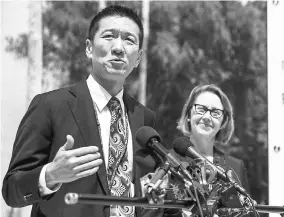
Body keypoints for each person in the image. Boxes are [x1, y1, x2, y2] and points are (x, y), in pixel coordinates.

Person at [2, 5, 164, 217]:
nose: (118, 47)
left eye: (129, 40)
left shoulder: (144, 118)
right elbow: (11, 189)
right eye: (108, 36)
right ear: (89, 48)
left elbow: (143, 195)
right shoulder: (50, 105)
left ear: (139, 58)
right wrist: (50, 175)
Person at [177, 84, 250, 194]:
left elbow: (248, 210)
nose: (207, 117)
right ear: (188, 114)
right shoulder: (166, 161)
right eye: (201, 109)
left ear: (223, 122)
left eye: (215, 113)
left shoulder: (235, 168)